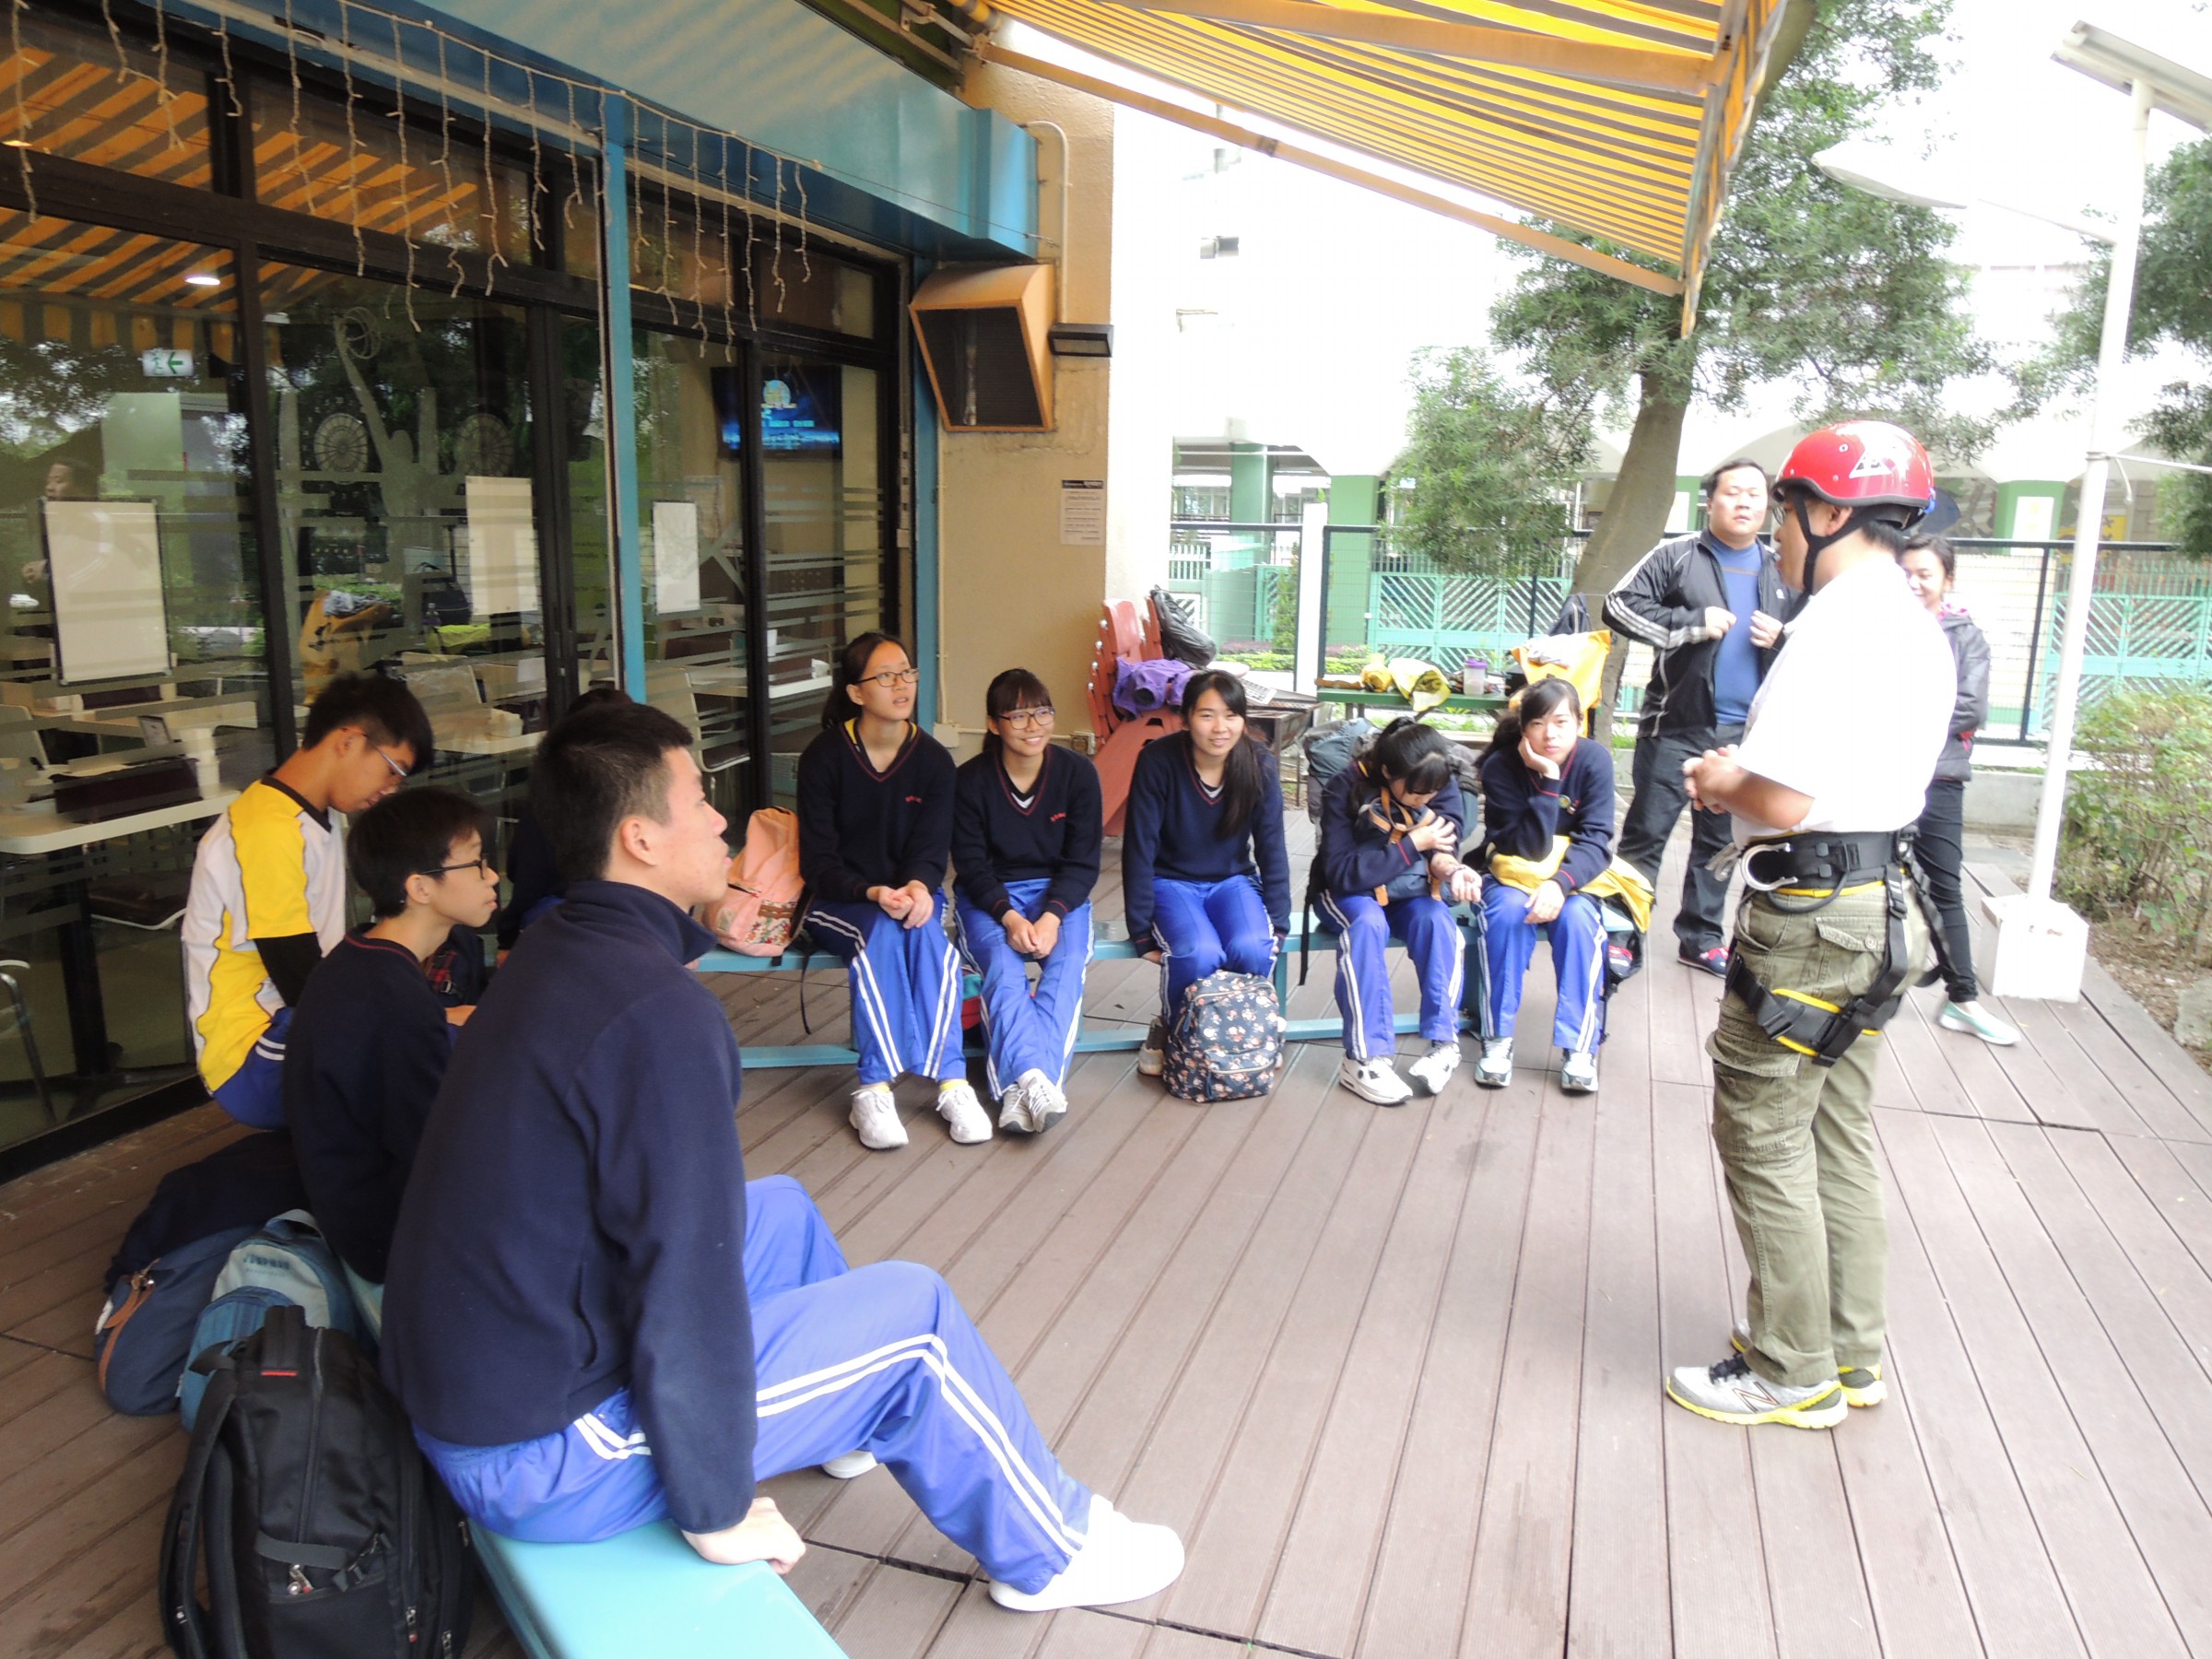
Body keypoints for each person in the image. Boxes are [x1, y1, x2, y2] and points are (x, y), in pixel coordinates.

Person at [379, 700, 1185, 1613]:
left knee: (781, 1211)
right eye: (700, 800)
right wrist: (715, 1506)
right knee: (915, 1321)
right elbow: (681, 1277)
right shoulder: (654, 1013)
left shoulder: (559, 949)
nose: (723, 821)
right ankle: (1052, 1549)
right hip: (539, 1448)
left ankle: (849, 1416)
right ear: (639, 838)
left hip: (492, 1367)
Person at [1665, 419, 1953, 1430]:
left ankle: (1790, 1369)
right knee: (1835, 1129)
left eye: (1784, 512)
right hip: (1878, 905)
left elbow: (1783, 798)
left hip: (1812, 914)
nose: (1776, 535)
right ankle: (1850, 1352)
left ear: (1828, 512)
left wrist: (1717, 777)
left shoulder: (1833, 627)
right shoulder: (1913, 623)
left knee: (1761, 1128)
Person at [283, 786, 500, 1328]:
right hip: (389, 1244)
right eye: (476, 864)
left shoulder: (359, 959)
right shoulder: (392, 996)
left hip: (356, 1212)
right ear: (420, 887)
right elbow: (432, 1150)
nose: (493, 877)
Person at [182, 671, 433, 1127]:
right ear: (348, 742)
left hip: (295, 1025)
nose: (390, 789)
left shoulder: (313, 812)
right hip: (253, 1062)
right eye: (392, 770)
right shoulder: (268, 832)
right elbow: (302, 980)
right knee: (442, 1060)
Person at [796, 632, 989, 1150]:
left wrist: (919, 887)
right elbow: (818, 864)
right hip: (839, 901)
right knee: (880, 931)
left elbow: (931, 849)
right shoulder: (824, 757)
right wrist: (872, 892)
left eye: (907, 672)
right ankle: (874, 1087)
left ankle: (952, 1082)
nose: (902, 684)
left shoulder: (933, 760)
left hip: (908, 894)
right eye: (886, 676)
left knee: (928, 936)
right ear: (856, 692)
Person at [1606, 459, 1790, 977]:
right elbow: (1618, 606)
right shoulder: (1678, 555)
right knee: (1646, 835)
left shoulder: (1782, 567)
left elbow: (1809, 641)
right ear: (1710, 501)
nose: (1745, 502)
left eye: (1755, 494)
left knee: (1720, 843)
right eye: (1733, 492)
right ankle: (1622, 935)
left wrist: (1782, 639)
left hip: (1745, 735)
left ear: (1767, 505)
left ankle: (1702, 937)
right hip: (1675, 725)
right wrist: (1690, 623)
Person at [950, 669, 1102, 1135]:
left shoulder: (1078, 774)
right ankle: (1039, 1081)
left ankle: (1022, 1088)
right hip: (990, 899)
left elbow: (1082, 863)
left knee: (1067, 962)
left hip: (1059, 895)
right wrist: (1011, 917)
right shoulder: (970, 781)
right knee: (1001, 965)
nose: (1033, 725)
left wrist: (1052, 917)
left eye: (1042, 712)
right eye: (1018, 716)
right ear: (993, 724)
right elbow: (972, 867)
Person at [1121, 669, 1290, 1076]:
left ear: (1243, 720)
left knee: (1253, 947)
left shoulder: (1258, 763)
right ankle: (1174, 1032)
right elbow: (1139, 846)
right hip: (1171, 881)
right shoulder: (1158, 760)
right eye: (1207, 715)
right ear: (1185, 718)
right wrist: (1141, 931)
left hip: (1232, 881)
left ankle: (1248, 1033)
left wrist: (1279, 924)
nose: (1220, 728)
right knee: (1199, 952)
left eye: (1231, 716)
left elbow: (1271, 846)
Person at [1312, 718, 1482, 1104]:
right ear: (1388, 772)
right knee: (1367, 923)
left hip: (1409, 890)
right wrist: (1412, 844)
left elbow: (1444, 849)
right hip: (1349, 892)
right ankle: (1364, 1059)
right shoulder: (1345, 786)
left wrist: (1455, 870)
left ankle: (1444, 1043)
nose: (1424, 799)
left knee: (1437, 920)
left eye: (1433, 792)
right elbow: (1342, 872)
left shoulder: (1440, 782)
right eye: (1417, 791)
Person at [1898, 535, 2021, 1048]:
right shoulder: (1878, 625)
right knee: (1869, 875)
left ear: (1947, 580)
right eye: (1904, 572)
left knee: (1944, 886)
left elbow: (1970, 707)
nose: (1913, 582)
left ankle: (1962, 998)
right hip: (1879, 772)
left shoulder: (1965, 637)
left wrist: (1894, 722)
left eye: (1925, 573)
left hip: (1939, 776)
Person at [1472, 677, 1617, 1095]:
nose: (1550, 734)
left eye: (1561, 722)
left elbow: (1596, 840)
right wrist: (1550, 780)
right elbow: (1527, 847)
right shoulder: (1501, 766)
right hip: (1512, 872)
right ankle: (1497, 1038)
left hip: (1573, 879)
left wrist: (1560, 884)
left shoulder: (1595, 761)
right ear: (1523, 728)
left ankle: (1580, 1047)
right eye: (1538, 723)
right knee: (1505, 915)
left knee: (1578, 922)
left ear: (1580, 723)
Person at [496, 683, 632, 959]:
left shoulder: (550, 799)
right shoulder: (651, 796)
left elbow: (527, 878)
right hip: (636, 918)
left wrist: (507, 938)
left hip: (566, 921)